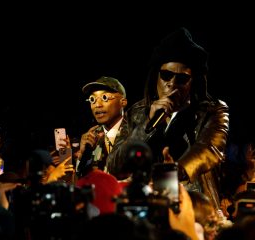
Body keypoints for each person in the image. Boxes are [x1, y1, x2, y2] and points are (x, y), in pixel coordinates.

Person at [126, 27, 229, 210]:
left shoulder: (212, 110)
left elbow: (208, 149)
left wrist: (168, 174)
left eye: (182, 79)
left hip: (194, 208)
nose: (172, 84)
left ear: (193, 82)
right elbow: (116, 163)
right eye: (166, 75)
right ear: (156, 76)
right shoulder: (137, 112)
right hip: (146, 208)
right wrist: (146, 126)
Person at [77, 76, 129, 179]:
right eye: (93, 99)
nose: (97, 105)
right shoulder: (92, 137)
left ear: (123, 102)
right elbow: (81, 180)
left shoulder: (136, 131)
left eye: (104, 97)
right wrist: (83, 154)